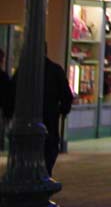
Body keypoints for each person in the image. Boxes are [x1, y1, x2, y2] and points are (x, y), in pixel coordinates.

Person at [1, 46, 73, 175]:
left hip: (26, 121)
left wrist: (9, 113)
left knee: (27, 157)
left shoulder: (24, 71)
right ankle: (44, 176)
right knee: (47, 154)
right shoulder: (55, 70)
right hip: (49, 121)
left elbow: (11, 94)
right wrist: (62, 110)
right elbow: (66, 96)